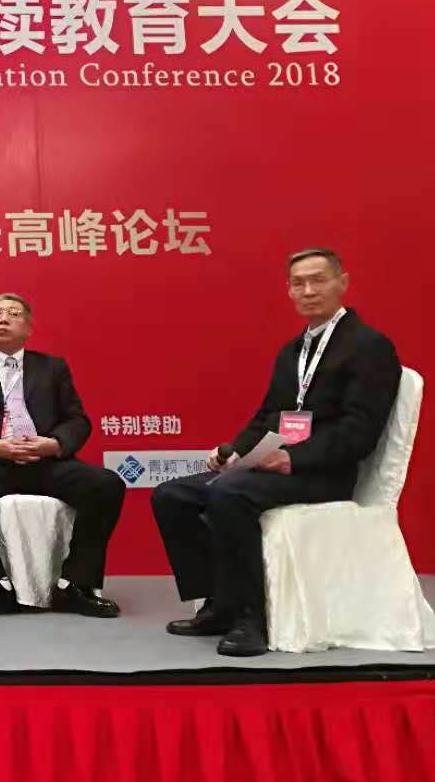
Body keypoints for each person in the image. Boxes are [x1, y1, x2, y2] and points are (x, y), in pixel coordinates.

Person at [152, 248, 401, 656]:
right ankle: (218, 603)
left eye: (318, 280)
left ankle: (252, 617)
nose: (308, 291)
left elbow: (360, 431)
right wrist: (235, 453)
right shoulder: (294, 351)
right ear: (288, 291)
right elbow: (268, 416)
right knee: (172, 495)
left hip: (324, 474)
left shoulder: (369, 346)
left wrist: (294, 459)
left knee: (228, 494)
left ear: (342, 283)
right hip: (276, 469)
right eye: (298, 283)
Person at [0, 293, 124, 619]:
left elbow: (77, 420)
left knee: (107, 485)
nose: (3, 318)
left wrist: (53, 444)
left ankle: (76, 584)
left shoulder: (52, 367)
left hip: (47, 462)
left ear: (29, 328)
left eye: (13, 313)